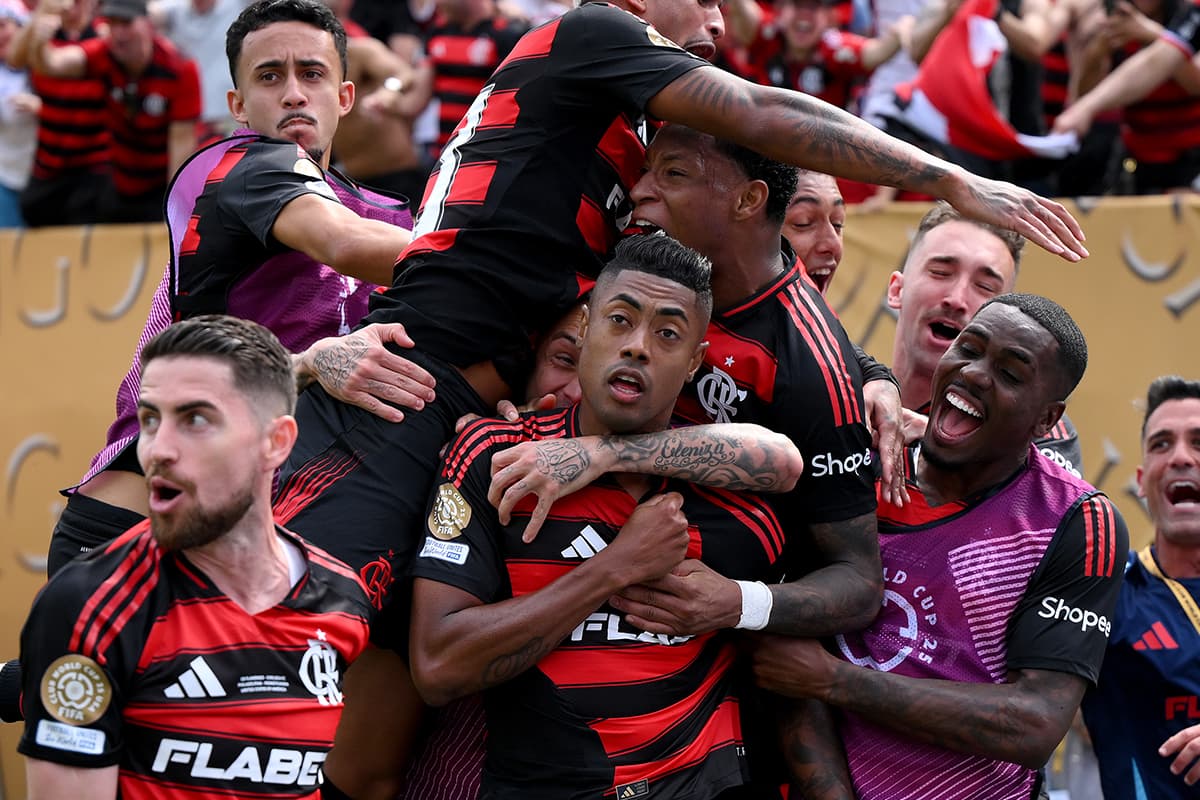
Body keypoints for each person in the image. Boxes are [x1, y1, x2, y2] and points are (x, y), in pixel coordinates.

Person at [272, 0, 1089, 793]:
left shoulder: (779, 337)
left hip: (643, 696)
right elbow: (757, 110)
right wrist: (308, 357)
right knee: (281, 685)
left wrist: (737, 582)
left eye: (670, 174)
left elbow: (808, 508)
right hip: (404, 401)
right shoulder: (597, 47)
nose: (719, 22)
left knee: (361, 749)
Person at [409, 234, 805, 799]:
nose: (638, 347)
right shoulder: (498, 457)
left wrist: (604, 454)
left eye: (668, 333)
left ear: (695, 362)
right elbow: (438, 667)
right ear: (588, 328)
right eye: (620, 320)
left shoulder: (725, 481)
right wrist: (613, 569)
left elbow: (784, 464)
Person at [750, 293, 1129, 799]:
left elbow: (1034, 724)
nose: (973, 373)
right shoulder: (854, 472)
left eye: (1011, 374)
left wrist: (834, 681)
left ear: (1046, 420)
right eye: (967, 347)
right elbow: (784, 664)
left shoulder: (1079, 520)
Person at [18, 315, 372, 800]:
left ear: (276, 442)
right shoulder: (89, 603)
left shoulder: (342, 599)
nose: (158, 450)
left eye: (196, 419)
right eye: (149, 420)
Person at [887, 202, 1084, 476]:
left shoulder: (1035, 432)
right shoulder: (847, 397)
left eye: (985, 286)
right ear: (897, 290)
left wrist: (935, 445)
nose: (956, 299)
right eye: (941, 273)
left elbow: (1051, 505)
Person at [1082, 375, 1200, 798]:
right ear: (1142, 479)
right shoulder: (1105, 593)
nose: (1181, 458)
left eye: (1199, 442)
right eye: (1161, 444)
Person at [26, 0, 201, 222]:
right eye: (112, 23)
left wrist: (174, 212)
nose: (119, 33)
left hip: (161, 190)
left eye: (126, 23)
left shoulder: (181, 69)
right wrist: (39, 42)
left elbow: (181, 148)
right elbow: (53, 65)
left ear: (148, 24)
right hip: (118, 187)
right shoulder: (104, 54)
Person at [5, 0, 110, 228]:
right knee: (32, 210)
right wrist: (41, 15)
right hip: (50, 162)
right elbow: (14, 58)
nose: (72, 7)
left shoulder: (103, 33)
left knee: (85, 219)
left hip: (94, 163)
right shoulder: (45, 33)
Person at [1052, 0, 1200, 139]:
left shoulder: (1189, 14)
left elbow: (1194, 83)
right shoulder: (1115, 20)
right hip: (1134, 146)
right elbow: (1083, 95)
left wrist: (1152, 34)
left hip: (1187, 147)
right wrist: (1098, 50)